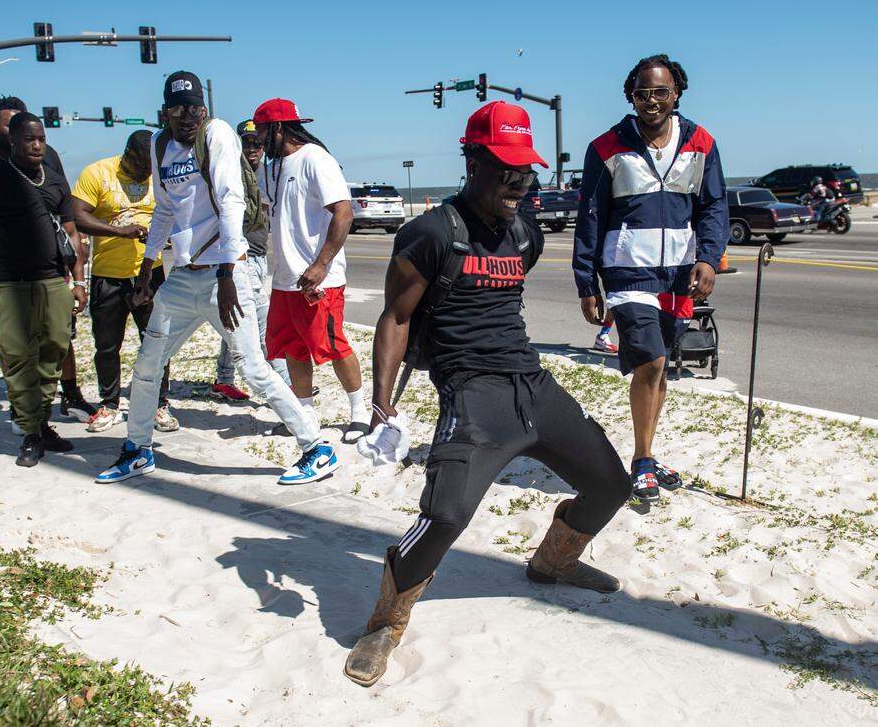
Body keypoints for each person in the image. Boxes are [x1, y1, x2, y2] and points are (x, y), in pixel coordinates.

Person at [345, 101, 632, 687]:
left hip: (532, 384)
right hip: (473, 394)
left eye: (527, 175)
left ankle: (553, 563)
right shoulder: (429, 233)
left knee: (612, 483)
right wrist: (380, 404)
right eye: (506, 173)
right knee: (446, 516)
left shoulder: (525, 234)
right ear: (472, 161)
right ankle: (386, 620)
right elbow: (396, 319)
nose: (519, 187)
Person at [95, 71, 336, 486]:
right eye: (177, 108)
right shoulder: (159, 144)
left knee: (253, 370)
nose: (187, 116)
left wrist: (228, 273)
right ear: (165, 111)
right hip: (183, 278)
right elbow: (166, 211)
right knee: (148, 365)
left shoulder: (218, 134)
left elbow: (231, 202)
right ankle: (137, 449)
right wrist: (146, 266)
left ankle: (317, 448)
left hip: (224, 274)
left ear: (203, 109)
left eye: (194, 108)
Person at [573, 54, 728, 505]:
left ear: (676, 92)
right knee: (651, 363)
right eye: (643, 93)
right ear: (631, 96)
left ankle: (647, 451)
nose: (652, 101)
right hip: (626, 272)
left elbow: (713, 205)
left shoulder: (701, 142)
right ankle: (642, 462)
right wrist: (587, 283)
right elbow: (591, 215)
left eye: (661, 92)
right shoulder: (606, 147)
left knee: (661, 370)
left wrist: (710, 258)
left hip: (679, 273)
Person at [0, 95, 95, 430]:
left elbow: (62, 205)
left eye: (37, 134)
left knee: (60, 336)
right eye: (11, 124)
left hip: (51, 267)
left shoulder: (47, 157)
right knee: (12, 342)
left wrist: (77, 271)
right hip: (4, 268)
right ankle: (24, 411)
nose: (33, 141)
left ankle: (68, 394)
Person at [0, 112, 87, 467]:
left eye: (41, 139)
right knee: (18, 358)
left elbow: (73, 234)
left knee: (54, 350)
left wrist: (79, 280)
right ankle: (32, 433)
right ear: (13, 141)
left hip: (53, 280)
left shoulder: (56, 182)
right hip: (7, 282)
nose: (36, 146)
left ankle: (41, 423)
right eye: (29, 139)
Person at [253, 99, 370, 442]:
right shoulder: (269, 168)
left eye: (262, 131)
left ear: (279, 128)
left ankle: (359, 412)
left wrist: (321, 264)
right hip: (286, 278)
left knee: (333, 345)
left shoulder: (316, 159)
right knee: (291, 347)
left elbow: (344, 213)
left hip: (321, 278)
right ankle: (304, 413)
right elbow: (265, 213)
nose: (258, 139)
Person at [71, 130, 178, 433]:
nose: (147, 172)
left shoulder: (159, 177)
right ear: (128, 155)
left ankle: (159, 404)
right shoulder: (99, 173)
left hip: (150, 273)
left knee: (157, 341)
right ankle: (109, 404)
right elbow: (76, 216)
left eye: (151, 166)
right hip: (108, 275)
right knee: (107, 344)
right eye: (143, 165)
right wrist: (120, 231)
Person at [210, 119, 291, 402]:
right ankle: (286, 384)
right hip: (242, 257)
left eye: (258, 143)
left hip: (259, 254)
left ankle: (223, 378)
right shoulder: (232, 174)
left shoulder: (268, 173)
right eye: (247, 142)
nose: (253, 148)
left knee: (236, 317)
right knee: (262, 323)